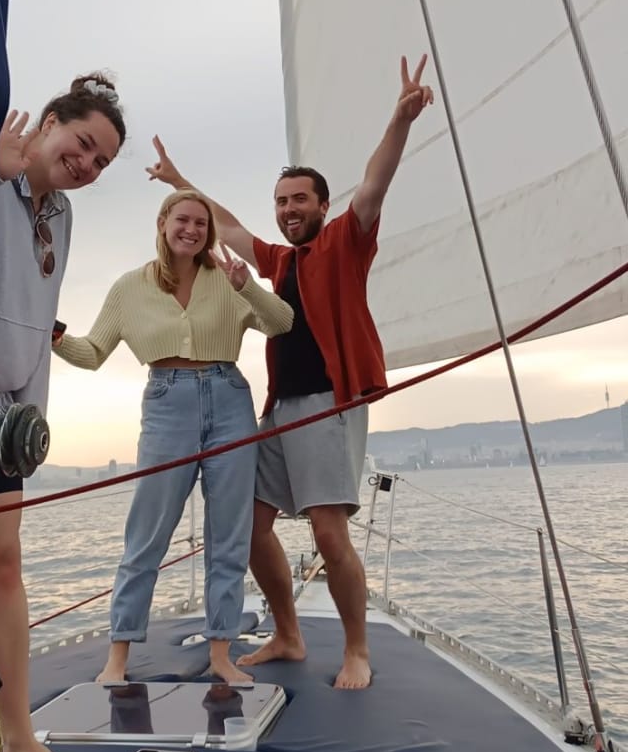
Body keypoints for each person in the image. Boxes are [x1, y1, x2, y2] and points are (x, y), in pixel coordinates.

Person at [146, 56, 435, 690]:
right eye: (281, 202)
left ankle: (356, 649)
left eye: (300, 199)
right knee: (249, 526)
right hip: (279, 409)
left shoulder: (346, 240)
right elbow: (225, 226)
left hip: (330, 404)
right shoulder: (279, 261)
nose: (289, 209)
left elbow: (375, 182)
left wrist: (400, 119)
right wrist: (177, 181)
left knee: (330, 534)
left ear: (323, 204)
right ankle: (288, 633)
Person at [52, 188, 293, 687]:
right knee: (147, 533)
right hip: (166, 403)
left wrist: (248, 287)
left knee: (229, 535)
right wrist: (51, 334)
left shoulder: (228, 279)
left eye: (201, 224)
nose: (192, 230)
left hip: (230, 400)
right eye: (182, 219)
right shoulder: (129, 288)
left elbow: (282, 322)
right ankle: (118, 657)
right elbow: (92, 353)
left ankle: (221, 653)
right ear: (163, 223)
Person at [0, 73, 126, 752]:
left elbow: (40, 322)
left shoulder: (60, 215)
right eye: (83, 143)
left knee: (4, 562)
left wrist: (33, 421)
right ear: (51, 121)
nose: (86, 164)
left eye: (101, 162)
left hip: (7, 416)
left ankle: (17, 734)